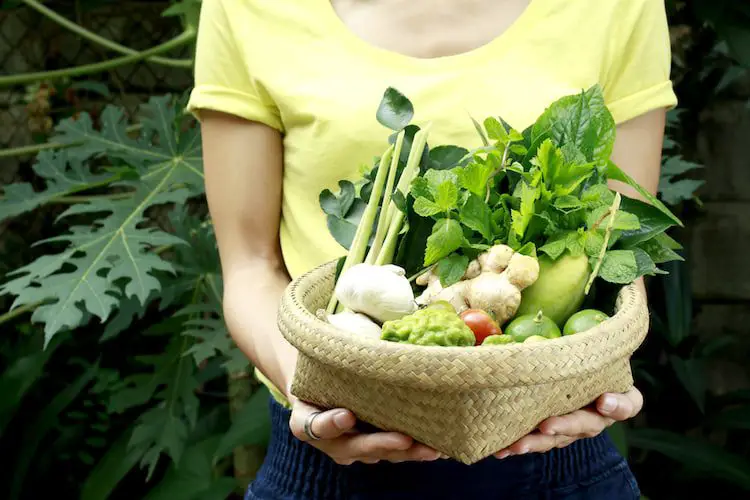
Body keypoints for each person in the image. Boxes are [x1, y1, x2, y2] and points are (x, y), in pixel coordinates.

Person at [186, 0, 676, 498]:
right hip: (329, 464)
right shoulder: (249, 8)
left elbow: (618, 250)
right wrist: (313, 391)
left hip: (553, 459)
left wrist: (599, 375)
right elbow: (250, 266)